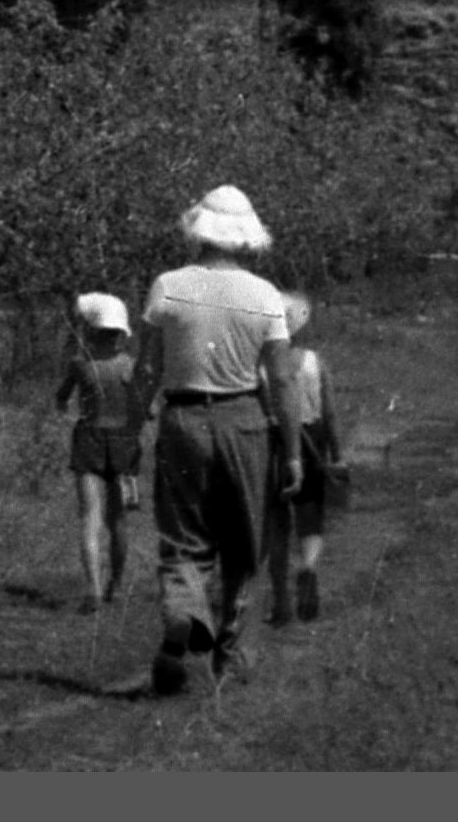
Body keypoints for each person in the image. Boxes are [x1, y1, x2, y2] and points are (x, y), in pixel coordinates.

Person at [137, 184, 301, 695]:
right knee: (243, 540)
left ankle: (184, 614)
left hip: (183, 420)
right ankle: (230, 652)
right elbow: (282, 380)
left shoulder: (167, 285)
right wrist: (293, 452)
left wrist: (132, 422)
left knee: (183, 536)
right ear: (245, 237)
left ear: (198, 229)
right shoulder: (264, 294)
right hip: (245, 421)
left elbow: (147, 368)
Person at [54, 292, 144, 610]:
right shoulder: (130, 367)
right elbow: (145, 409)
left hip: (89, 437)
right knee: (118, 519)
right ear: (120, 332)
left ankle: (92, 589)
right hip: (123, 441)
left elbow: (61, 397)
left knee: (89, 517)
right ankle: (116, 586)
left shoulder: (81, 364)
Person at [264, 293, 347, 626]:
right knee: (310, 515)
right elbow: (330, 412)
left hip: (276, 443)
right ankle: (308, 566)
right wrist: (337, 454)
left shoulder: (263, 368)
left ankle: (282, 602)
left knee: (277, 523)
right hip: (313, 439)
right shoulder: (315, 362)